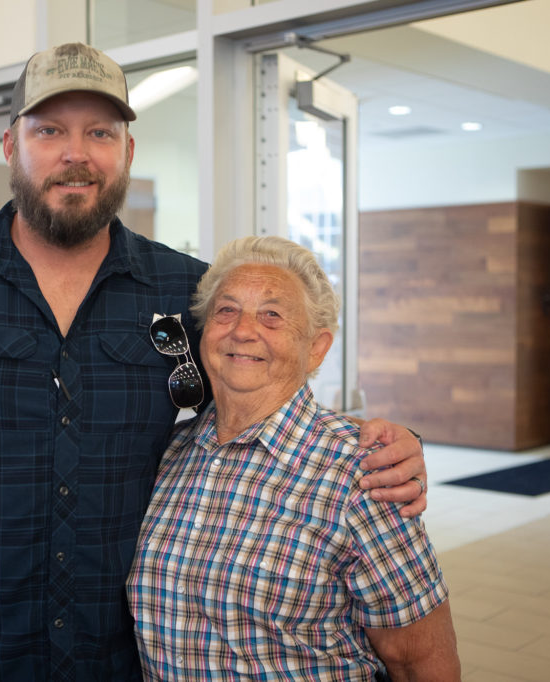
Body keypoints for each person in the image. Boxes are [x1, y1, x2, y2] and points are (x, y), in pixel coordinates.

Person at [0, 43, 428, 682]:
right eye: (50, 130)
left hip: (126, 665)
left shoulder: (189, 294)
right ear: (12, 146)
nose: (77, 152)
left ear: (126, 151)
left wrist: (381, 445)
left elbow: (262, 410)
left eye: (100, 131)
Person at [126, 235, 459, 681]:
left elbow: (419, 661)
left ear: (316, 347)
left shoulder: (362, 475)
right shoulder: (169, 455)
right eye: (226, 310)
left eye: (272, 315)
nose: (243, 330)